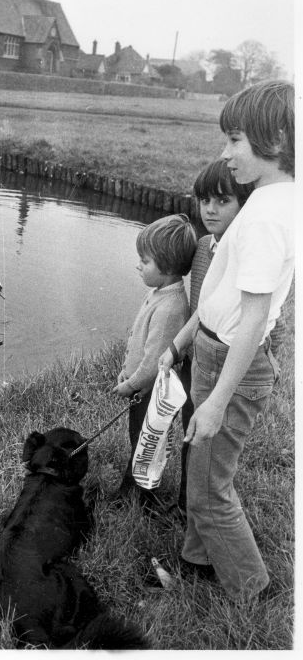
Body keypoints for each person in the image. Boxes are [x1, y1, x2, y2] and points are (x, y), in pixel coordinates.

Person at [159, 80, 294, 600]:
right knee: (200, 468)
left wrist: (216, 400)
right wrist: (185, 344)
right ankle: (196, 561)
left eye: (234, 140)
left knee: (212, 489)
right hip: (214, 352)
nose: (226, 153)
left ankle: (250, 590)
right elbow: (223, 296)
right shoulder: (269, 201)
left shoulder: (263, 217)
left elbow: (255, 320)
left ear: (276, 139)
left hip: (231, 367)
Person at [175, 160, 254, 517]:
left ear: (244, 204)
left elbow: (263, 317)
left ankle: (204, 508)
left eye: (223, 201)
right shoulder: (204, 244)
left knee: (213, 439)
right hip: (196, 355)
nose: (209, 209)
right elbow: (200, 305)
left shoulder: (246, 252)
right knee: (188, 425)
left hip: (227, 359)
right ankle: (185, 502)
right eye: (204, 200)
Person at [112, 213, 197, 507]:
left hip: (150, 394)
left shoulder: (171, 307)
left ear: (168, 266)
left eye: (145, 261)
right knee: (137, 438)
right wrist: (126, 371)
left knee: (146, 443)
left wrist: (132, 384)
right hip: (141, 389)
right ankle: (132, 487)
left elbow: (153, 361)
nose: (138, 265)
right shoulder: (158, 293)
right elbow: (139, 343)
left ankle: (141, 496)